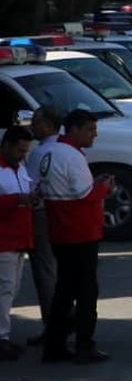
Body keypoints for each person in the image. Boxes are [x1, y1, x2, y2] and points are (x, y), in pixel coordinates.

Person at [39, 109, 112, 364]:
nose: (94, 135)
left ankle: (55, 343)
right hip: (80, 231)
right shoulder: (71, 155)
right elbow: (84, 194)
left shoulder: (49, 150)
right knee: (85, 291)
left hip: (60, 230)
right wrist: (103, 187)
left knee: (64, 290)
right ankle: (84, 344)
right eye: (90, 130)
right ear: (74, 129)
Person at [24, 108, 61, 346]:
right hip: (64, 213)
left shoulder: (40, 152)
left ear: (48, 124)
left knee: (45, 270)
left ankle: (53, 324)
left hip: (41, 213)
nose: (32, 127)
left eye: (36, 122)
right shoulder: (68, 149)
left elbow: (30, 186)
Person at [0, 126, 35, 359]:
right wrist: (18, 199)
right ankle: (1, 337)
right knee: (4, 289)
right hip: (3, 241)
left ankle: (4, 335)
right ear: (7, 145)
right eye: (20, 150)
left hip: (19, 240)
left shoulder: (20, 168)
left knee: (11, 290)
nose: (23, 155)